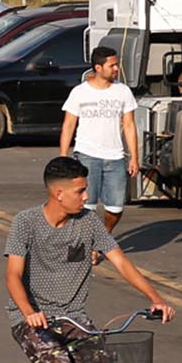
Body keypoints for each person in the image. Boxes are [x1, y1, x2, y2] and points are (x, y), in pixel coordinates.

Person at [0, 156, 174, 363]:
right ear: (59, 194)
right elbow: (13, 274)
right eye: (80, 191)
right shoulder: (25, 222)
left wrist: (155, 297)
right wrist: (29, 312)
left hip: (74, 317)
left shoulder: (89, 222)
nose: (86, 197)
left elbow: (120, 261)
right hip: (32, 318)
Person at [57, 45, 139, 232]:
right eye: (112, 66)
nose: (117, 69)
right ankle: (90, 243)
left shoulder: (123, 91)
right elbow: (69, 124)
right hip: (87, 155)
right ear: (98, 67)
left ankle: (104, 233)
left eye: (117, 64)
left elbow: (129, 125)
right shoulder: (80, 92)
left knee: (116, 207)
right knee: (87, 205)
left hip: (115, 157)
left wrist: (134, 156)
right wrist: (63, 155)